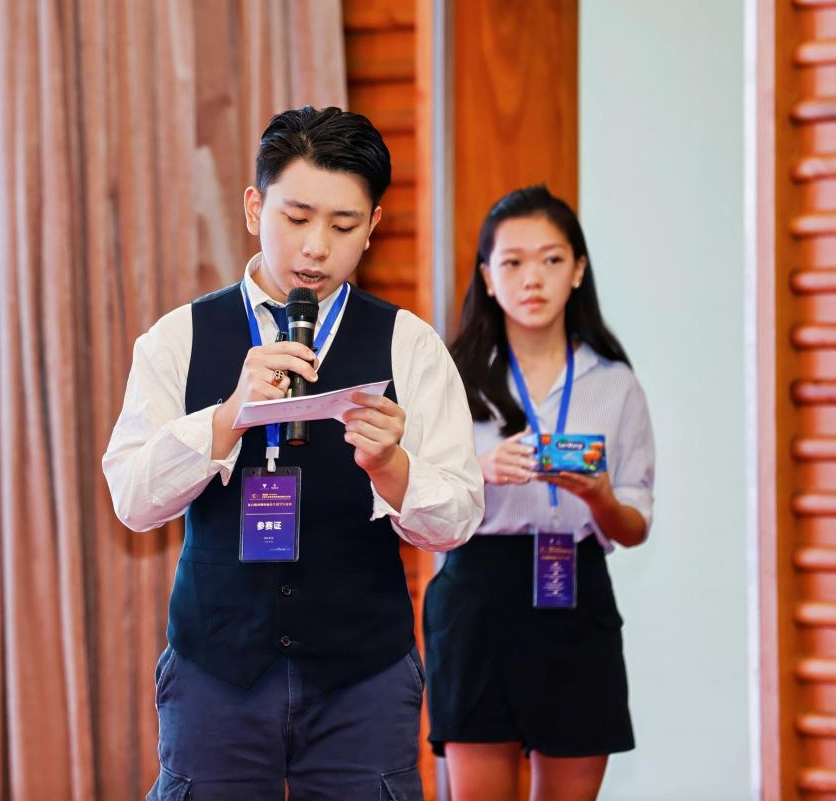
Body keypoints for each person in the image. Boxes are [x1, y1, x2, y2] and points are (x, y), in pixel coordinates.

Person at [102, 106, 483, 801]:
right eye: (296, 217)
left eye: (342, 225)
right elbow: (132, 500)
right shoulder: (178, 337)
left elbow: (456, 520)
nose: (315, 247)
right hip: (214, 671)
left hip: (362, 677)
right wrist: (225, 418)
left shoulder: (410, 345)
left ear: (373, 226)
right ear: (255, 207)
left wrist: (392, 468)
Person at [425, 184, 656, 801]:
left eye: (552, 259)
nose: (533, 279)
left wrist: (600, 497)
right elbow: (414, 502)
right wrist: (479, 468)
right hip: (476, 594)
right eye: (513, 262)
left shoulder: (615, 384)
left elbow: (636, 524)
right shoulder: (450, 377)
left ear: (578, 270)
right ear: (487, 276)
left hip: (575, 592)